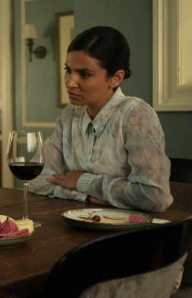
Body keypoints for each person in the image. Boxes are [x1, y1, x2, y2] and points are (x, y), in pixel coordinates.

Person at [28, 26, 172, 213]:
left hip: (127, 228)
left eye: (84, 74)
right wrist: (85, 197)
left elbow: (153, 196)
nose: (70, 82)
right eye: (68, 70)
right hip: (75, 222)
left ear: (116, 78)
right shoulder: (70, 115)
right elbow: (36, 179)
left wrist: (82, 181)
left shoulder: (136, 115)